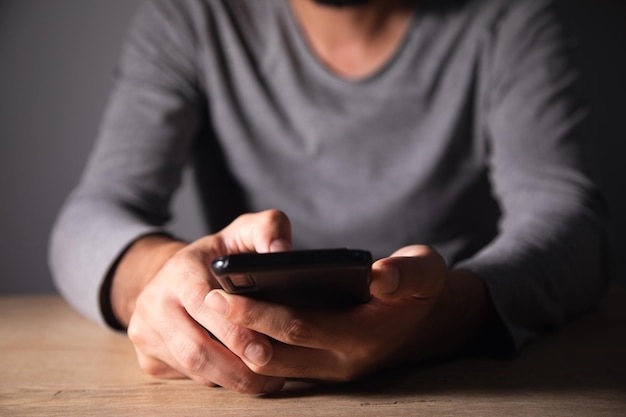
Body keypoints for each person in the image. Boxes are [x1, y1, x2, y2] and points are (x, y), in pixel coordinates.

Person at [49, 0, 609, 394]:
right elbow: (89, 218)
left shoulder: (512, 17)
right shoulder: (192, 16)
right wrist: (166, 279)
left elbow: (573, 225)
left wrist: (444, 317)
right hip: (248, 381)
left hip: (459, 385)